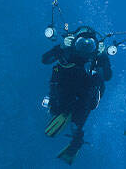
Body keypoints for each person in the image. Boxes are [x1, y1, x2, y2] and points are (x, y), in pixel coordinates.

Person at [42, 26, 112, 163]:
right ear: (74, 41)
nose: (85, 48)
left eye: (89, 45)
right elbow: (45, 60)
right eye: (81, 43)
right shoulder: (67, 50)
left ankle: (77, 134)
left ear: (95, 46)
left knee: (81, 109)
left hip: (85, 94)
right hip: (65, 89)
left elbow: (107, 76)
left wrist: (103, 56)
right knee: (59, 108)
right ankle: (69, 120)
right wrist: (61, 47)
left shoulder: (96, 57)